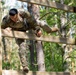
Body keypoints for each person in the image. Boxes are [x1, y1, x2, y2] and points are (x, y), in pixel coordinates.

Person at [1, 8, 59, 72]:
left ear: (18, 14)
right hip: (18, 31)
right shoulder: (6, 19)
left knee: (41, 23)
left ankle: (50, 30)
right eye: (12, 19)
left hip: (27, 24)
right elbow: (2, 28)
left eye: (15, 18)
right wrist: (7, 29)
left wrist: (37, 29)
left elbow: (33, 21)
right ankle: (25, 66)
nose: (14, 20)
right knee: (22, 45)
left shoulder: (23, 13)